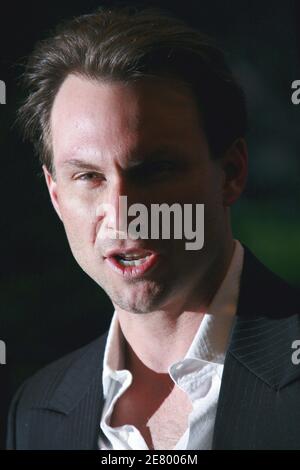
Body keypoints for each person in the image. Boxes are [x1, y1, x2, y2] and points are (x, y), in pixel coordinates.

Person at [7, 6, 300, 450]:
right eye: (88, 176)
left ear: (232, 173)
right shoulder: (34, 412)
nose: (122, 213)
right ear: (55, 194)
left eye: (155, 170)